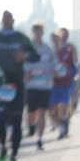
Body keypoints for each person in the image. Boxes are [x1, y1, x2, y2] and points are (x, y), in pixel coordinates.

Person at [0, 11, 39, 161]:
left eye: (10, 18)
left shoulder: (21, 37)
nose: (7, 21)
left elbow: (35, 56)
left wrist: (25, 57)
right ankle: (2, 148)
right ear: (1, 20)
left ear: (13, 20)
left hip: (17, 84)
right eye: (4, 18)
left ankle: (14, 156)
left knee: (16, 121)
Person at [24, 23, 56, 151]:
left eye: (40, 32)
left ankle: (39, 139)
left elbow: (54, 65)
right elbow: (22, 64)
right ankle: (31, 125)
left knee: (42, 112)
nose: (38, 34)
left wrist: (52, 72)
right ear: (33, 32)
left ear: (43, 33)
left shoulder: (48, 49)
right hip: (31, 86)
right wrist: (26, 73)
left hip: (45, 86)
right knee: (32, 113)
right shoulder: (27, 48)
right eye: (36, 32)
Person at [49, 28, 78, 139]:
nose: (56, 42)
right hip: (52, 85)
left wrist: (72, 75)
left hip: (66, 84)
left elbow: (74, 65)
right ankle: (61, 126)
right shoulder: (49, 53)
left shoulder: (69, 50)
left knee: (64, 107)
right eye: (53, 40)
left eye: (57, 39)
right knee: (52, 111)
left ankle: (64, 124)